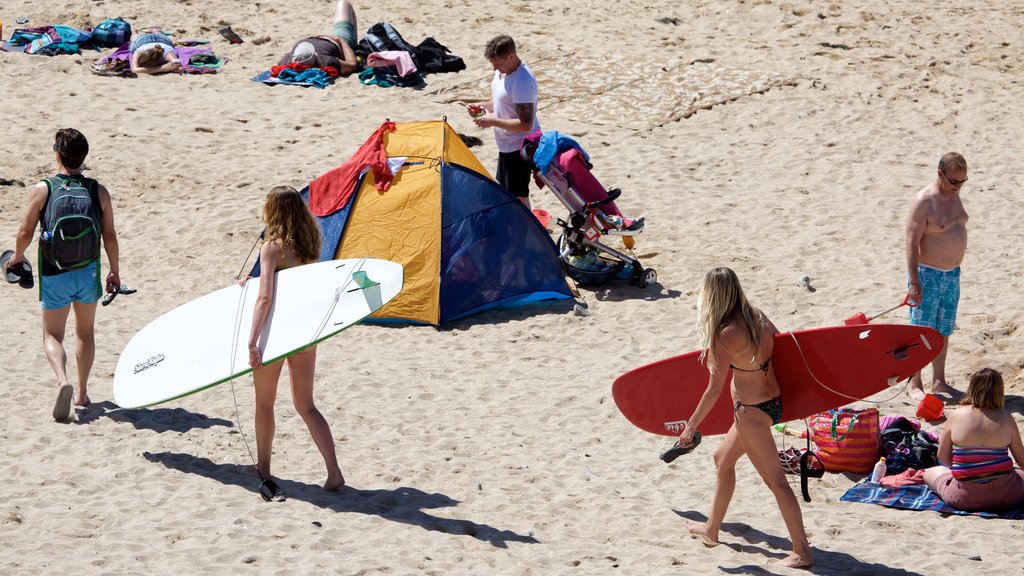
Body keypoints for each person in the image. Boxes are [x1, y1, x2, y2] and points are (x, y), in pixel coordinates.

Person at [677, 267, 812, 569]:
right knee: (722, 460)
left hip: (751, 415)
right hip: (772, 404)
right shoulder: (758, 316)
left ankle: (802, 551)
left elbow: (714, 389)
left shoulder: (724, 335)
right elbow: (785, 348)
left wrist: (691, 425)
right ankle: (712, 530)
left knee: (776, 482)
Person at [8, 128, 120, 422]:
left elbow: (25, 232)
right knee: (85, 332)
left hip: (54, 270)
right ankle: (82, 392)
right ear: (83, 158)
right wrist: (114, 271)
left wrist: (17, 258)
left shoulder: (44, 189)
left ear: (57, 153)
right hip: (87, 271)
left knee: (52, 334)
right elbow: (109, 235)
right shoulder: (99, 191)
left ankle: (62, 380)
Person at [243, 186, 344, 499]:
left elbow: (266, 297)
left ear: (272, 212)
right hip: (304, 333)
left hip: (276, 335)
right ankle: (333, 471)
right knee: (306, 405)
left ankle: (264, 468)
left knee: (264, 403)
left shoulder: (272, 247)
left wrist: (252, 341)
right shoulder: (309, 244)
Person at [905, 152, 969, 400]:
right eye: (954, 181)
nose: (959, 186)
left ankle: (939, 381)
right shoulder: (924, 201)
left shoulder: (954, 194)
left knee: (944, 328)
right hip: (927, 275)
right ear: (940, 174)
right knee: (921, 330)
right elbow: (911, 244)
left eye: (963, 181)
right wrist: (914, 282)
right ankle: (914, 383)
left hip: (952, 275)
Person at [924, 368, 1024, 511]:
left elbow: (943, 457)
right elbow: (1022, 461)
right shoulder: (1007, 419)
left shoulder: (956, 416)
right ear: (999, 391)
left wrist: (966, 469)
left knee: (931, 472)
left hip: (964, 498)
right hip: (1007, 497)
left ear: (972, 388)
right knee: (1018, 474)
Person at [467, 34, 540, 208]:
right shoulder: (503, 72)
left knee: (518, 196)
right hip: (506, 145)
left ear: (511, 56)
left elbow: (525, 124)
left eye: (498, 64)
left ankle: (527, 233)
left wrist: (492, 121)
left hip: (519, 147)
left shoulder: (522, 81)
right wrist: (481, 106)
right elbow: (502, 101)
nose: (495, 68)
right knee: (508, 192)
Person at [278, 0, 359, 76]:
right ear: (316, 56)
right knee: (344, 3)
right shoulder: (326, 60)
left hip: (325, 41)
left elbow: (286, 55)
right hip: (340, 42)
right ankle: (355, 46)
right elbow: (352, 64)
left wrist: (304, 39)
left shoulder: (289, 59)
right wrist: (340, 40)